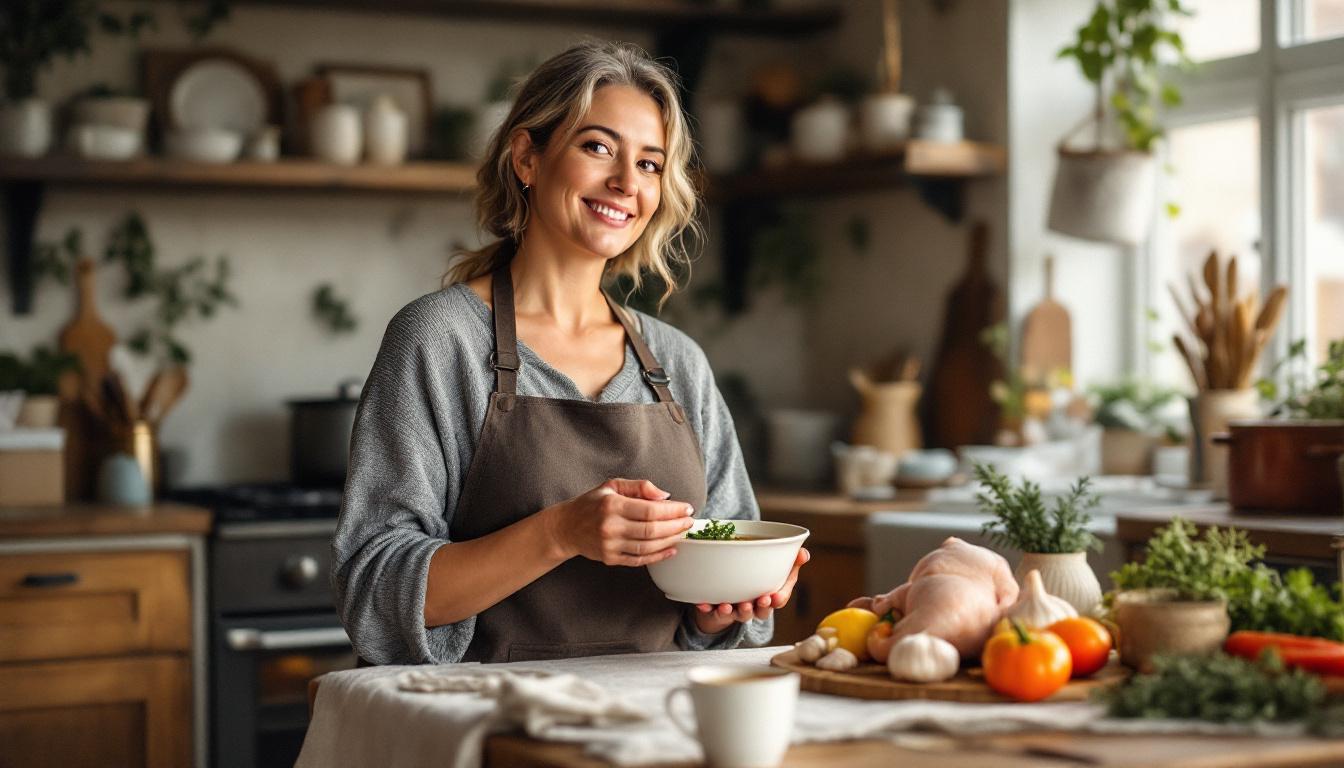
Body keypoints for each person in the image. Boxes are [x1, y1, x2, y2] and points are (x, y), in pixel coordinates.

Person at [332, 41, 808, 665]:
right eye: (598, 147)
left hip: (651, 721)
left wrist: (725, 602)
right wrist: (560, 532)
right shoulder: (439, 338)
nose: (624, 182)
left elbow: (722, 571)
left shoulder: (676, 361)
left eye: (650, 164)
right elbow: (374, 588)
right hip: (479, 722)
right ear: (527, 158)